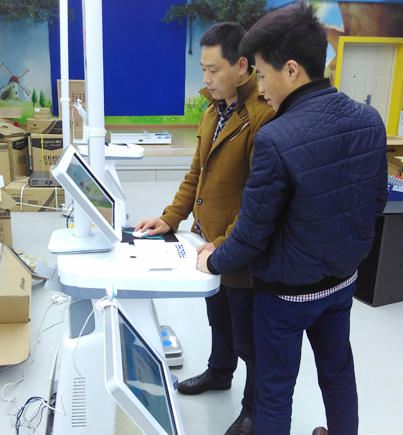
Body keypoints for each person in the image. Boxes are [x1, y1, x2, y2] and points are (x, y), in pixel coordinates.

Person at [196, 2, 388, 435]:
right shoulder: (368, 120)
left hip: (286, 295)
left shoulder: (276, 137)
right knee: (338, 372)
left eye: (263, 76)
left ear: (292, 70)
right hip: (341, 282)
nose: (261, 88)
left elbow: (252, 232)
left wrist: (214, 261)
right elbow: (376, 201)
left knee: (275, 390)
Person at [134, 22, 274, 435]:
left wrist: (225, 244)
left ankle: (253, 409)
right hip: (207, 241)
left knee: (248, 335)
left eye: (214, 70)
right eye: (203, 70)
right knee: (219, 315)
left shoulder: (261, 117)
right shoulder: (214, 110)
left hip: (237, 246)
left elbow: (259, 197)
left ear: (242, 66)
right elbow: (196, 173)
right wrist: (171, 217)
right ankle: (219, 372)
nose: (206, 79)